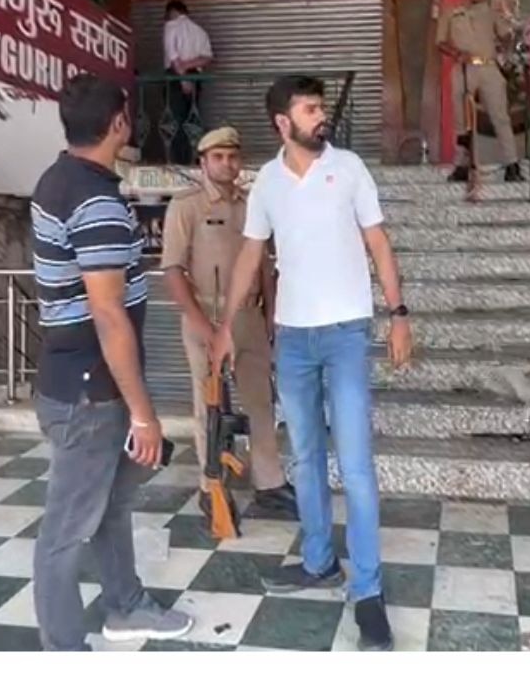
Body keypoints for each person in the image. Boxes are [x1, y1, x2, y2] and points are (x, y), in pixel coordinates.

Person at [210, 75, 413, 652]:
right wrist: (226, 327)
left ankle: (368, 591)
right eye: (310, 108)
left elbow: (378, 242)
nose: (321, 116)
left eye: (321, 106)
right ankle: (319, 560)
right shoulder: (268, 183)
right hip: (293, 339)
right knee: (305, 454)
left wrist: (398, 312)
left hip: (346, 334)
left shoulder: (348, 168)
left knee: (355, 464)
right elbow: (252, 253)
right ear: (283, 122)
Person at [29, 74, 193, 651]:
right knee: (63, 533)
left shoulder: (59, 179)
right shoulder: (93, 198)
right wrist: (144, 413)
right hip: (89, 392)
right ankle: (64, 649)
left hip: (74, 383)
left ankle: (125, 605)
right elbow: (108, 314)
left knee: (111, 502)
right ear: (119, 125)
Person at [159, 125, 298, 519]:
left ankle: (269, 482)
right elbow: (172, 271)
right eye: (218, 156)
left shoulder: (253, 204)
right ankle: (211, 484)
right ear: (203, 162)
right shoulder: (185, 207)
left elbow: (267, 266)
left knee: (260, 402)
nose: (227, 163)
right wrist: (205, 328)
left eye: (233, 156)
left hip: (250, 318)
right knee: (210, 404)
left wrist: (271, 315)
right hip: (208, 316)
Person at [437, 0, 523, 183]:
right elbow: (440, 42)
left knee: (500, 117)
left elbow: (506, 38)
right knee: (461, 119)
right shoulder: (450, 11)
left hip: (488, 67)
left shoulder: (491, 11)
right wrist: (457, 53)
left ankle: (512, 165)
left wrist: (506, 16)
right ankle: (462, 165)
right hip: (464, 68)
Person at [163, 0, 213, 165]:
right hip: (195, 77)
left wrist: (183, 77)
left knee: (175, 119)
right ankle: (195, 157)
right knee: (192, 118)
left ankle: (178, 161)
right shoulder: (200, 31)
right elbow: (207, 58)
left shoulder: (171, 26)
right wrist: (189, 69)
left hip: (175, 77)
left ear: (172, 12)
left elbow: (173, 57)